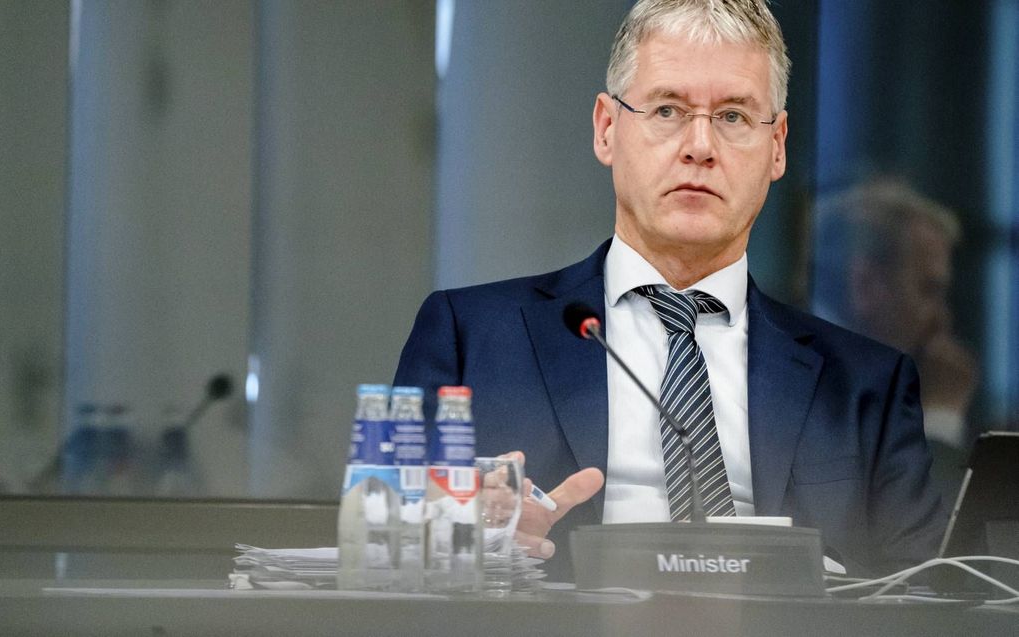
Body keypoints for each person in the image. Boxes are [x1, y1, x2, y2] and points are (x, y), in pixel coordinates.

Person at [395, 0, 944, 579]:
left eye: (733, 116)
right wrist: (469, 536)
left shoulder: (864, 385)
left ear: (777, 146)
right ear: (608, 130)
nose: (700, 146)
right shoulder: (470, 339)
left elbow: (927, 595)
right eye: (666, 109)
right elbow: (394, 556)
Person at [812, 179, 978, 502]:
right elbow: (932, 544)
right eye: (929, 290)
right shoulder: (811, 387)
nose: (942, 319)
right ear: (866, 284)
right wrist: (940, 416)